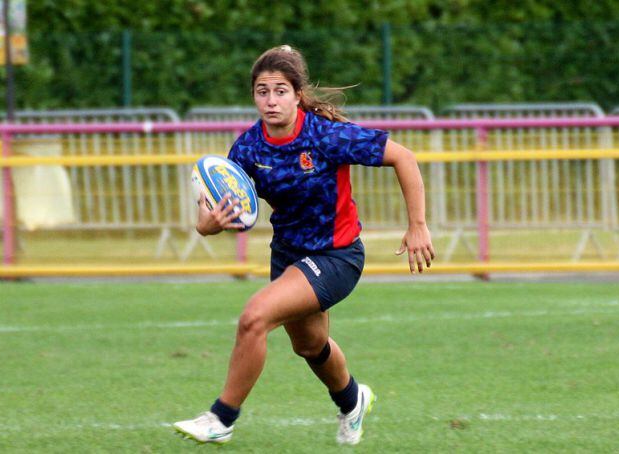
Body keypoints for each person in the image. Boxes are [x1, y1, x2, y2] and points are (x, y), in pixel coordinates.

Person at [173, 45, 435, 445]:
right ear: (253, 96)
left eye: (280, 91)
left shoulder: (326, 135)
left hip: (337, 256)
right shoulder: (246, 149)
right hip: (289, 256)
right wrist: (208, 225)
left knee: (254, 316)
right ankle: (352, 401)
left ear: (297, 95)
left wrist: (417, 225)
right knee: (310, 346)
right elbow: (224, 214)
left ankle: (221, 418)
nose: (271, 100)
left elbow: (404, 157)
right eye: (263, 91)